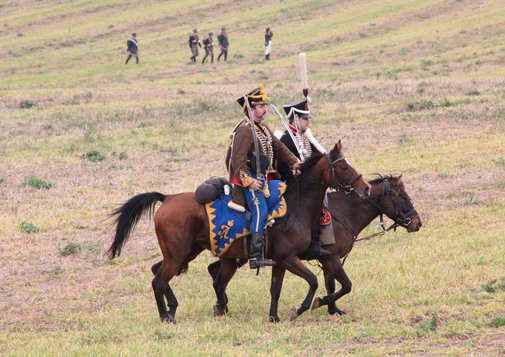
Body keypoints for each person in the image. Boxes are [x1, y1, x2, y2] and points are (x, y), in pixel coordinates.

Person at [225, 85, 301, 269]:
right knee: (260, 210)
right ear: (251, 110)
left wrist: (294, 162)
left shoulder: (262, 128)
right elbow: (237, 161)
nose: (265, 109)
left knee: (282, 189)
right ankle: (255, 255)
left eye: (264, 106)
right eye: (261, 106)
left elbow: (278, 148)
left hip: (262, 179)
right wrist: (249, 182)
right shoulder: (244, 130)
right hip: (248, 182)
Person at [277, 99, 332, 259]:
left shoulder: (304, 137)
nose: (308, 122)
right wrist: (297, 179)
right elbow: (282, 165)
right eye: (305, 118)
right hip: (294, 184)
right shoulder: (287, 139)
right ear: (295, 119)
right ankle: (309, 243)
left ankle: (323, 241)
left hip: (308, 184)